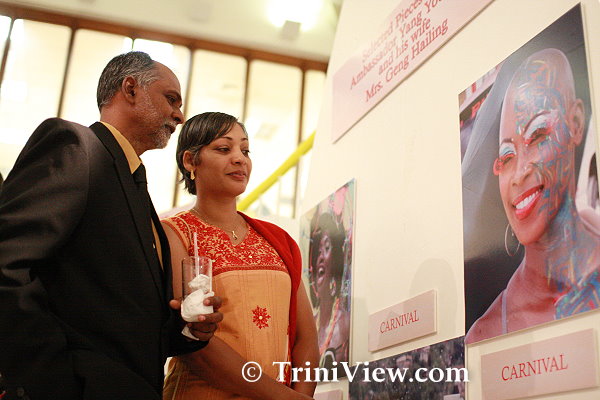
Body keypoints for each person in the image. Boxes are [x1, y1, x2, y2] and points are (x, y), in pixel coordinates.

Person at [0, 51, 222, 400]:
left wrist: (189, 329)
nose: (180, 116)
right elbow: (7, 265)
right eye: (171, 99)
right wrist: (51, 382)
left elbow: (126, 321)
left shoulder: (137, 188)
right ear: (130, 89)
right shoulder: (75, 146)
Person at [161, 112, 319, 399]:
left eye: (245, 150)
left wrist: (301, 395)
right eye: (224, 148)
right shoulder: (174, 233)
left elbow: (306, 340)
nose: (239, 159)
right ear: (190, 161)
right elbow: (194, 344)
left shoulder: (278, 239)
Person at [466, 48, 600, 343]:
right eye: (507, 156)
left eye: (538, 135)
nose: (519, 173)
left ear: (576, 123)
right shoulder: (486, 333)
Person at [307, 211, 350, 370]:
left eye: (326, 248)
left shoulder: (344, 324)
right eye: (318, 251)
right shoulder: (309, 326)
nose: (320, 257)